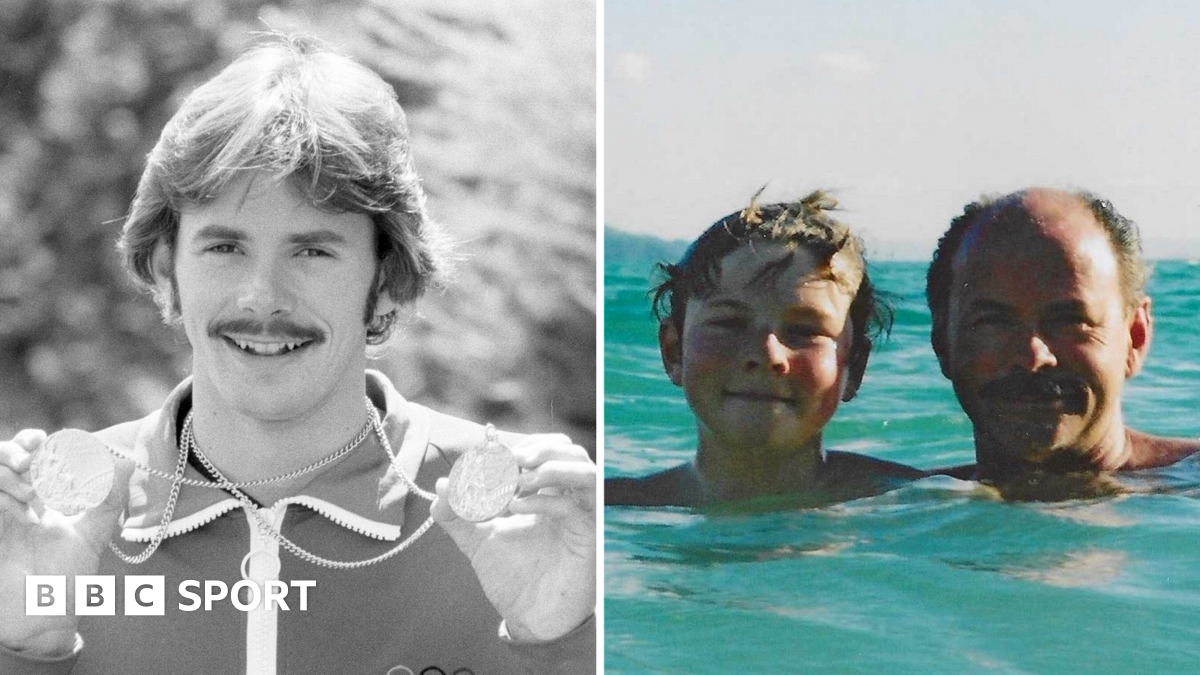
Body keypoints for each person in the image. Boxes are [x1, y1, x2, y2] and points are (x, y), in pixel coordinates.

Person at [0, 34, 595, 674]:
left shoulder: (524, 527)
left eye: (312, 250)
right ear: (167, 266)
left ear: (388, 275)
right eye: (224, 247)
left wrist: (556, 641)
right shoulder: (44, 534)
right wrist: (28, 647)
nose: (262, 296)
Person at [604, 190, 922, 509]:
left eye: (804, 331)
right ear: (674, 350)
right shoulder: (609, 506)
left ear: (854, 365)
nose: (769, 355)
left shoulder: (911, 502)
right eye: (730, 323)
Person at [925, 187, 1200, 500]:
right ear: (942, 342)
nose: (1032, 356)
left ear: (1135, 337)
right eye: (993, 322)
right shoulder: (898, 503)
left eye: (1070, 322)